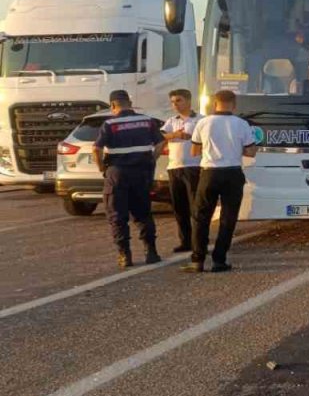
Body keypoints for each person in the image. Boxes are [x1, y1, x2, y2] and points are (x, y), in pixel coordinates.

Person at [185, 90, 258, 273]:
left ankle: (197, 260)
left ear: (214, 104)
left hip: (209, 173)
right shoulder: (242, 124)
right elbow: (251, 152)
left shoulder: (203, 123)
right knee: (228, 217)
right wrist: (233, 150)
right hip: (233, 174)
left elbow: (194, 151)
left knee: (201, 217)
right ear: (234, 105)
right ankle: (219, 260)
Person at [93, 90, 165, 269]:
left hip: (117, 174)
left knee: (117, 215)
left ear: (113, 105)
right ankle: (151, 252)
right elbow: (161, 142)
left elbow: (96, 148)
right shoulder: (147, 121)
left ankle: (125, 255)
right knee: (143, 213)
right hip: (142, 173)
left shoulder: (109, 124)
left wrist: (102, 167)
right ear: (130, 102)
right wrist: (151, 159)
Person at [160, 89, 202, 253]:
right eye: (172, 102)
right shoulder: (171, 121)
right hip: (175, 167)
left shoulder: (200, 120)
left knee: (195, 207)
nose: (175, 105)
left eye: (178, 101)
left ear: (189, 101)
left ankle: (199, 240)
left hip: (194, 166)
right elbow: (160, 137)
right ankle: (185, 241)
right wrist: (174, 135)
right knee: (179, 207)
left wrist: (189, 137)